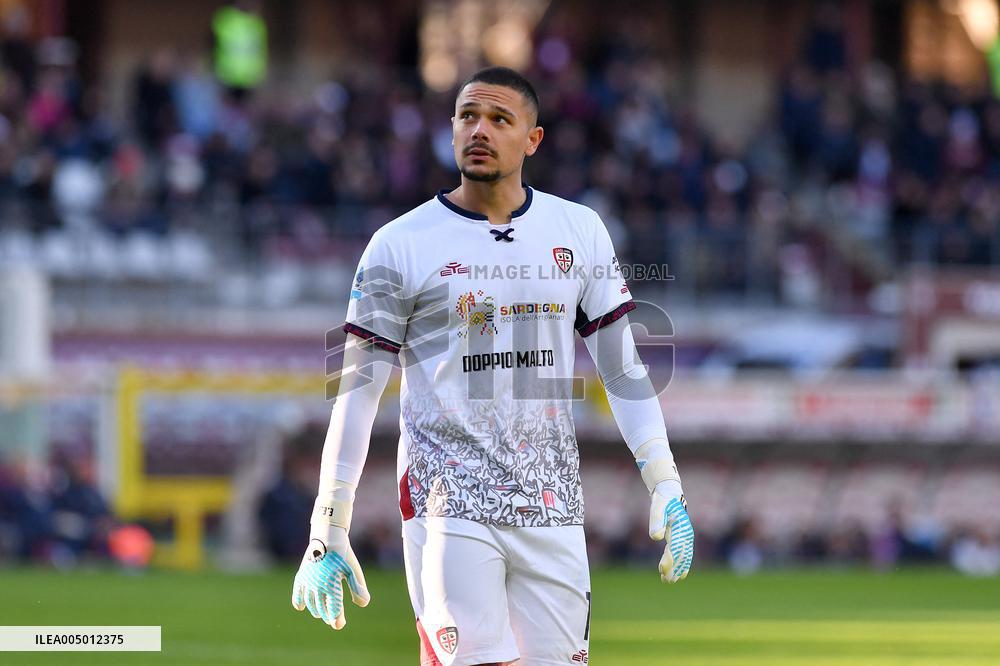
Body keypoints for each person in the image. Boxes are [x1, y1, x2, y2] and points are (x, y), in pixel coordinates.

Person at [291, 66, 694, 665]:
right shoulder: (399, 245)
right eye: (467, 117)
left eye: (499, 119)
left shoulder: (579, 232)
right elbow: (356, 393)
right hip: (447, 503)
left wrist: (665, 484)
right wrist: (330, 520)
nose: (479, 130)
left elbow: (624, 371)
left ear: (532, 139)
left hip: (552, 503)